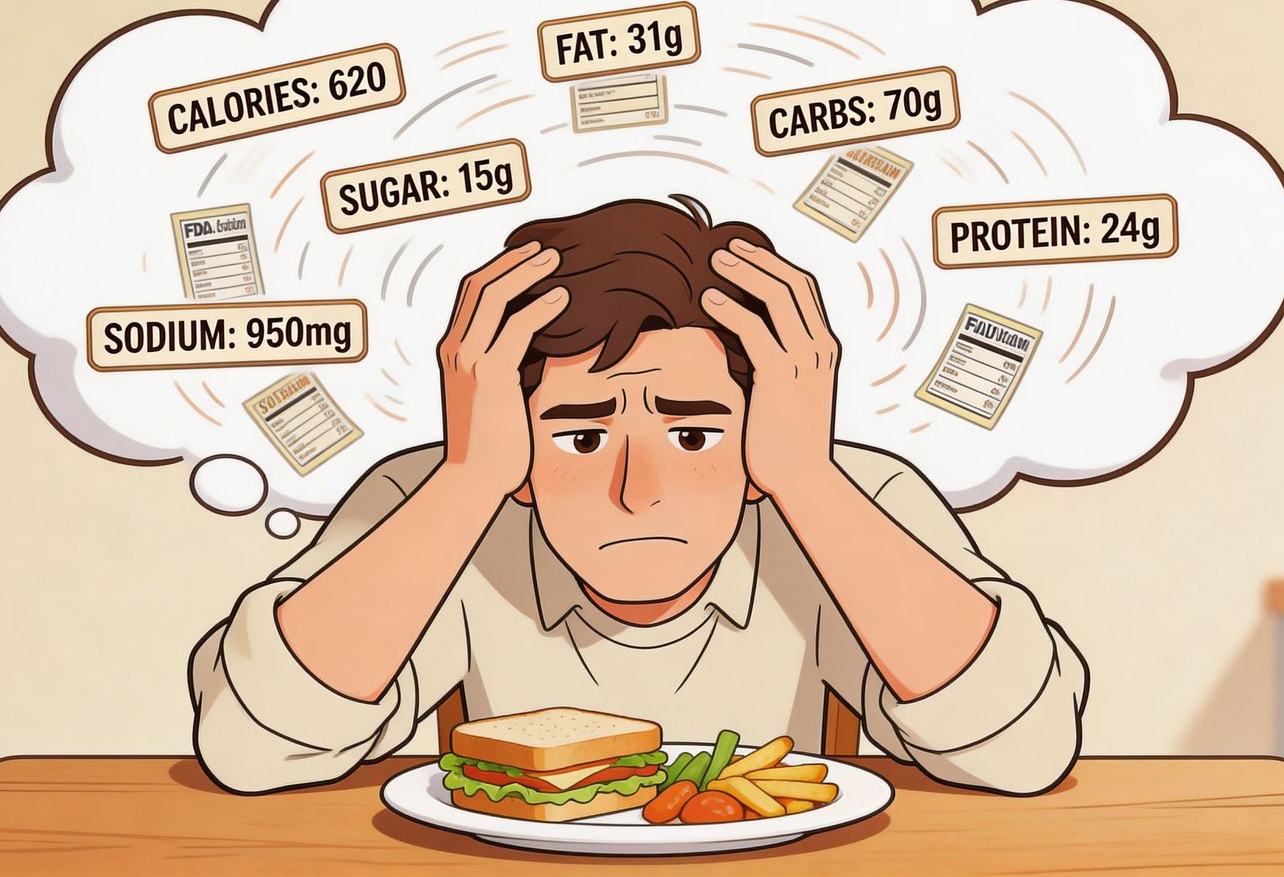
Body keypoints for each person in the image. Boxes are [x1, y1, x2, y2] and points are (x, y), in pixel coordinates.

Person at [188, 195, 1088, 796]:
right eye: (581, 437)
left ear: (762, 419)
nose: (637, 490)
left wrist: (806, 478)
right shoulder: (440, 496)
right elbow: (253, 747)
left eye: (693, 434)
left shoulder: (847, 495)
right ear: (512, 430)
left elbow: (1024, 749)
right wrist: (468, 480)